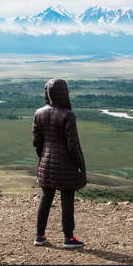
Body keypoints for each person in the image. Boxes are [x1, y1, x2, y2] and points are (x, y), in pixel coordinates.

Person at [32, 78, 86, 248]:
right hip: (66, 165)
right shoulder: (68, 115)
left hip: (46, 163)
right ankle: (69, 238)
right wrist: (80, 165)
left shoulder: (39, 113)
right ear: (63, 93)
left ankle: (39, 236)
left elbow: (37, 142)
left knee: (46, 198)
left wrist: (43, 159)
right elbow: (72, 145)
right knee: (67, 201)